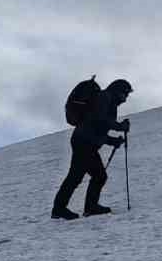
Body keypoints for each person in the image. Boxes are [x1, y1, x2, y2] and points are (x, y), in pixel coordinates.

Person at [52, 78, 131, 219]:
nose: (125, 98)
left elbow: (99, 129)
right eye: (125, 94)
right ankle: (78, 208)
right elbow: (101, 120)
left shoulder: (108, 101)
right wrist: (120, 126)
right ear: (118, 91)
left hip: (85, 141)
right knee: (90, 176)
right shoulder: (104, 97)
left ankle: (69, 208)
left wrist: (113, 141)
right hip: (84, 142)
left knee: (85, 176)